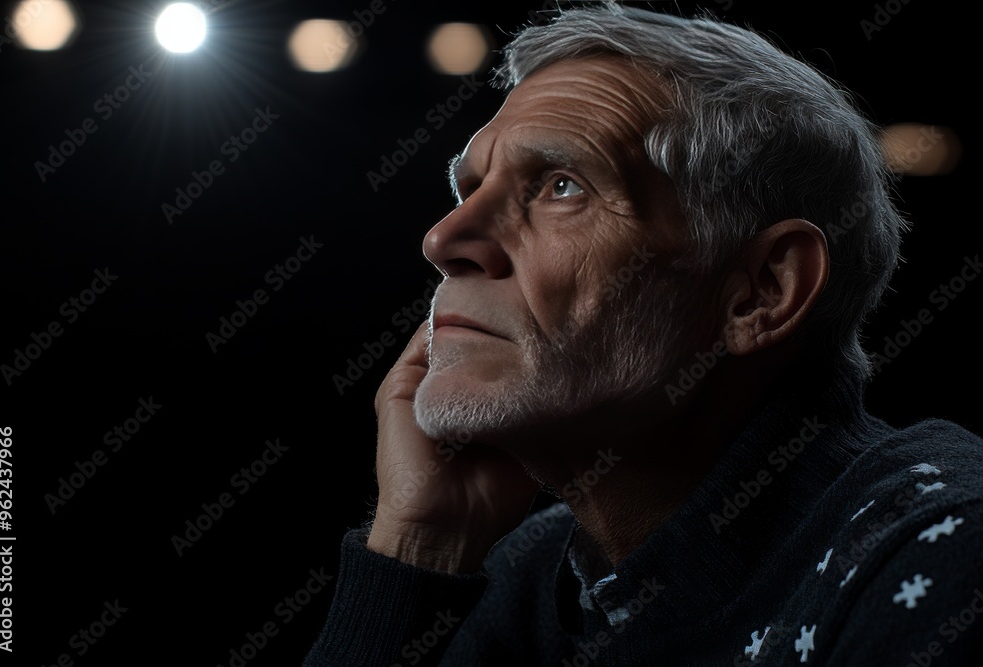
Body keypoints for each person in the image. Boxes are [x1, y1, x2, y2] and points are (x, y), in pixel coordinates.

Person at [304, 4, 983, 665]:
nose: (443, 239)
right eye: (470, 189)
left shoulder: (945, 555)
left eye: (562, 185)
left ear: (762, 291)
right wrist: (417, 548)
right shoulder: (527, 572)